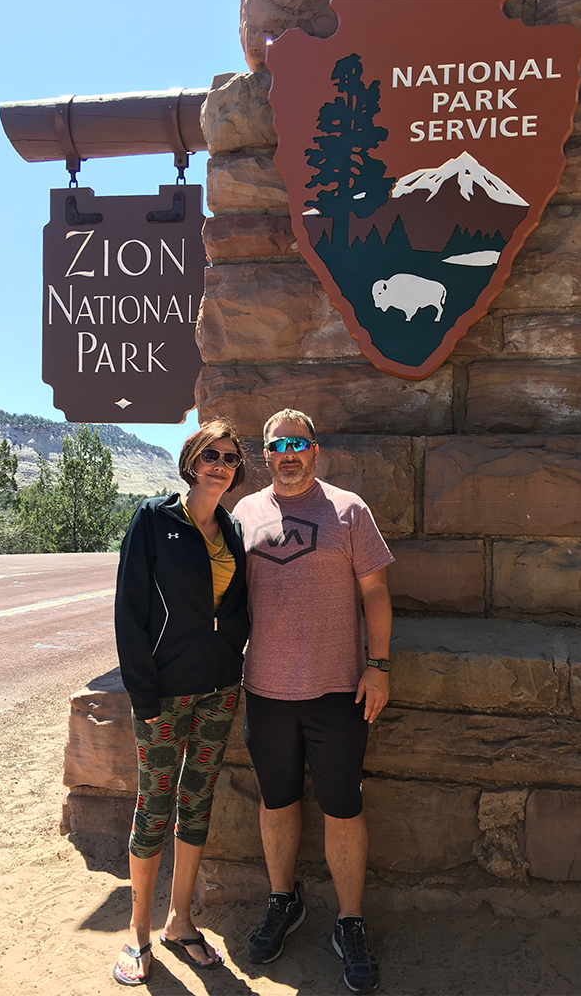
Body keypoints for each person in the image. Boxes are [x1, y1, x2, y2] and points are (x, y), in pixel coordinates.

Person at [234, 408, 394, 996]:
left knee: (343, 808)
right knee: (277, 802)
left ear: (315, 451)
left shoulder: (349, 510)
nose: (290, 454)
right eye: (279, 445)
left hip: (338, 689)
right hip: (266, 691)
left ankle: (349, 920)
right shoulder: (244, 513)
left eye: (299, 443)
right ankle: (284, 901)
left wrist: (378, 666)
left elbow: (375, 591)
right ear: (266, 454)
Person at [111, 420, 249, 986]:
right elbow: (129, 612)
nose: (221, 464)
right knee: (154, 805)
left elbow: (237, 606)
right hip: (164, 693)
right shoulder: (153, 520)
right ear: (191, 460)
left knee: (198, 802)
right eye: (211, 454)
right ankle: (138, 932)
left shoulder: (233, 528)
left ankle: (180, 921)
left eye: (231, 458)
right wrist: (142, 693)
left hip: (219, 689)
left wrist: (234, 651)